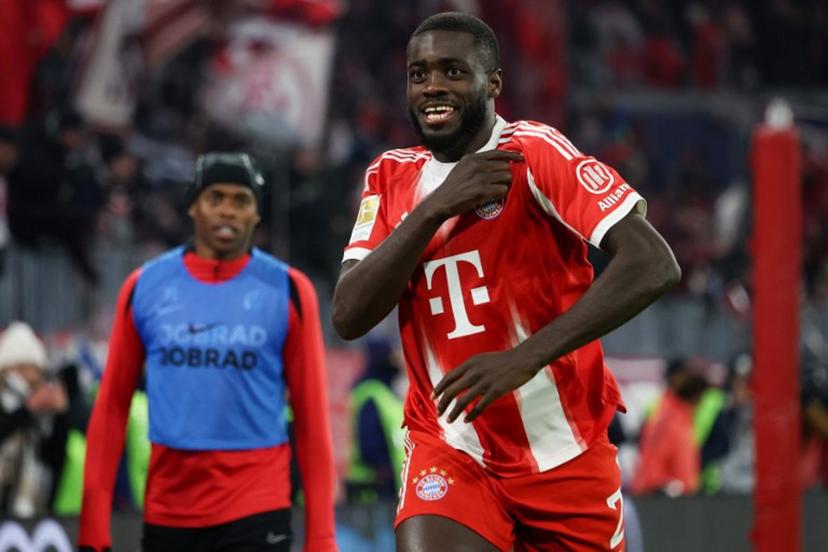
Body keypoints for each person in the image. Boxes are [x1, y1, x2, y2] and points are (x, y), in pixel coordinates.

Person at [332, 12, 680, 552]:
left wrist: (525, 357)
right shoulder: (390, 176)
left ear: (493, 83)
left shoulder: (533, 152)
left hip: (563, 450)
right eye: (419, 74)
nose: (432, 86)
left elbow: (653, 262)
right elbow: (348, 315)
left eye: (452, 71)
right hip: (450, 445)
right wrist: (435, 208)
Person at [78, 153, 337, 552]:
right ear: (193, 206)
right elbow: (112, 407)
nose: (227, 210)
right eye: (215, 198)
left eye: (241, 200)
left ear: (256, 213)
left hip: (258, 506)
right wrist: (92, 527)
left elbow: (311, 418)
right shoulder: (144, 286)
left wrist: (322, 537)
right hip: (169, 511)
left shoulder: (289, 290)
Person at [0, 322, 88, 517]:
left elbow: (54, 457)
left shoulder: (42, 412)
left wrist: (61, 414)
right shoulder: (12, 404)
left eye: (35, 369)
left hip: (35, 508)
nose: (32, 377)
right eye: (24, 368)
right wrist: (28, 409)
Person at [630, 358, 708, 496]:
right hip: (663, 498)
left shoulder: (679, 417)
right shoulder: (670, 419)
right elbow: (652, 463)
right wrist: (659, 487)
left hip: (676, 496)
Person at [346, 336, 405, 503]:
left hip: (387, 486)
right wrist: (385, 471)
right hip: (373, 489)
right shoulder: (371, 393)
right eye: (393, 355)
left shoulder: (385, 393)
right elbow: (369, 443)